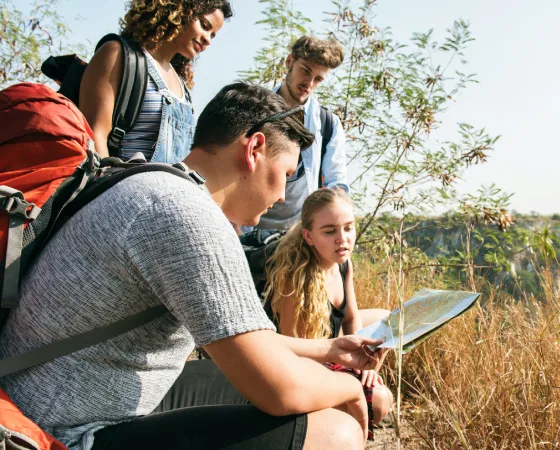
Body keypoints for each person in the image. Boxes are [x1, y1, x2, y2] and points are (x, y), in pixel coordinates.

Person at [0, 82, 382, 450]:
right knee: (334, 432)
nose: (283, 195)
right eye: (285, 174)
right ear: (255, 148)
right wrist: (350, 386)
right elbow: (281, 390)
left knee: (299, 386)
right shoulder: (188, 216)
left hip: (49, 394)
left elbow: (247, 340)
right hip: (60, 431)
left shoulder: (150, 180)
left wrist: (328, 349)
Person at [265, 188, 393, 430]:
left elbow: (351, 319)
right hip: (306, 359)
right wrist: (344, 377)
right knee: (379, 400)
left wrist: (362, 363)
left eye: (348, 227)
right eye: (330, 231)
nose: (342, 238)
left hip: (332, 345)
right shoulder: (297, 277)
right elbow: (293, 353)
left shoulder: (342, 264)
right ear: (309, 236)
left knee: (388, 320)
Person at [79, 0, 232, 162]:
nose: (207, 39)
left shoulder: (183, 88)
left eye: (212, 35)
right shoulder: (118, 55)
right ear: (181, 12)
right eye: (204, 26)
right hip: (119, 184)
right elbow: (95, 135)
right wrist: (111, 183)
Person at [252, 36, 350, 231]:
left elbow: (337, 184)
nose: (309, 83)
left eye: (319, 79)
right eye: (305, 71)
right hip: (249, 234)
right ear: (289, 61)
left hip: (299, 237)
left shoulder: (328, 123)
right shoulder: (254, 110)